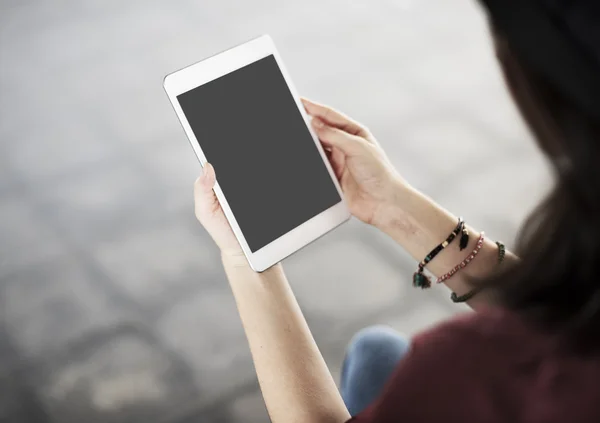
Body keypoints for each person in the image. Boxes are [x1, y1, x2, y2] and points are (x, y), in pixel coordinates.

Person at [193, 1, 600, 422]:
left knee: (378, 357)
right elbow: (559, 315)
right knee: (375, 351)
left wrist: (245, 259)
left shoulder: (471, 366)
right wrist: (390, 203)